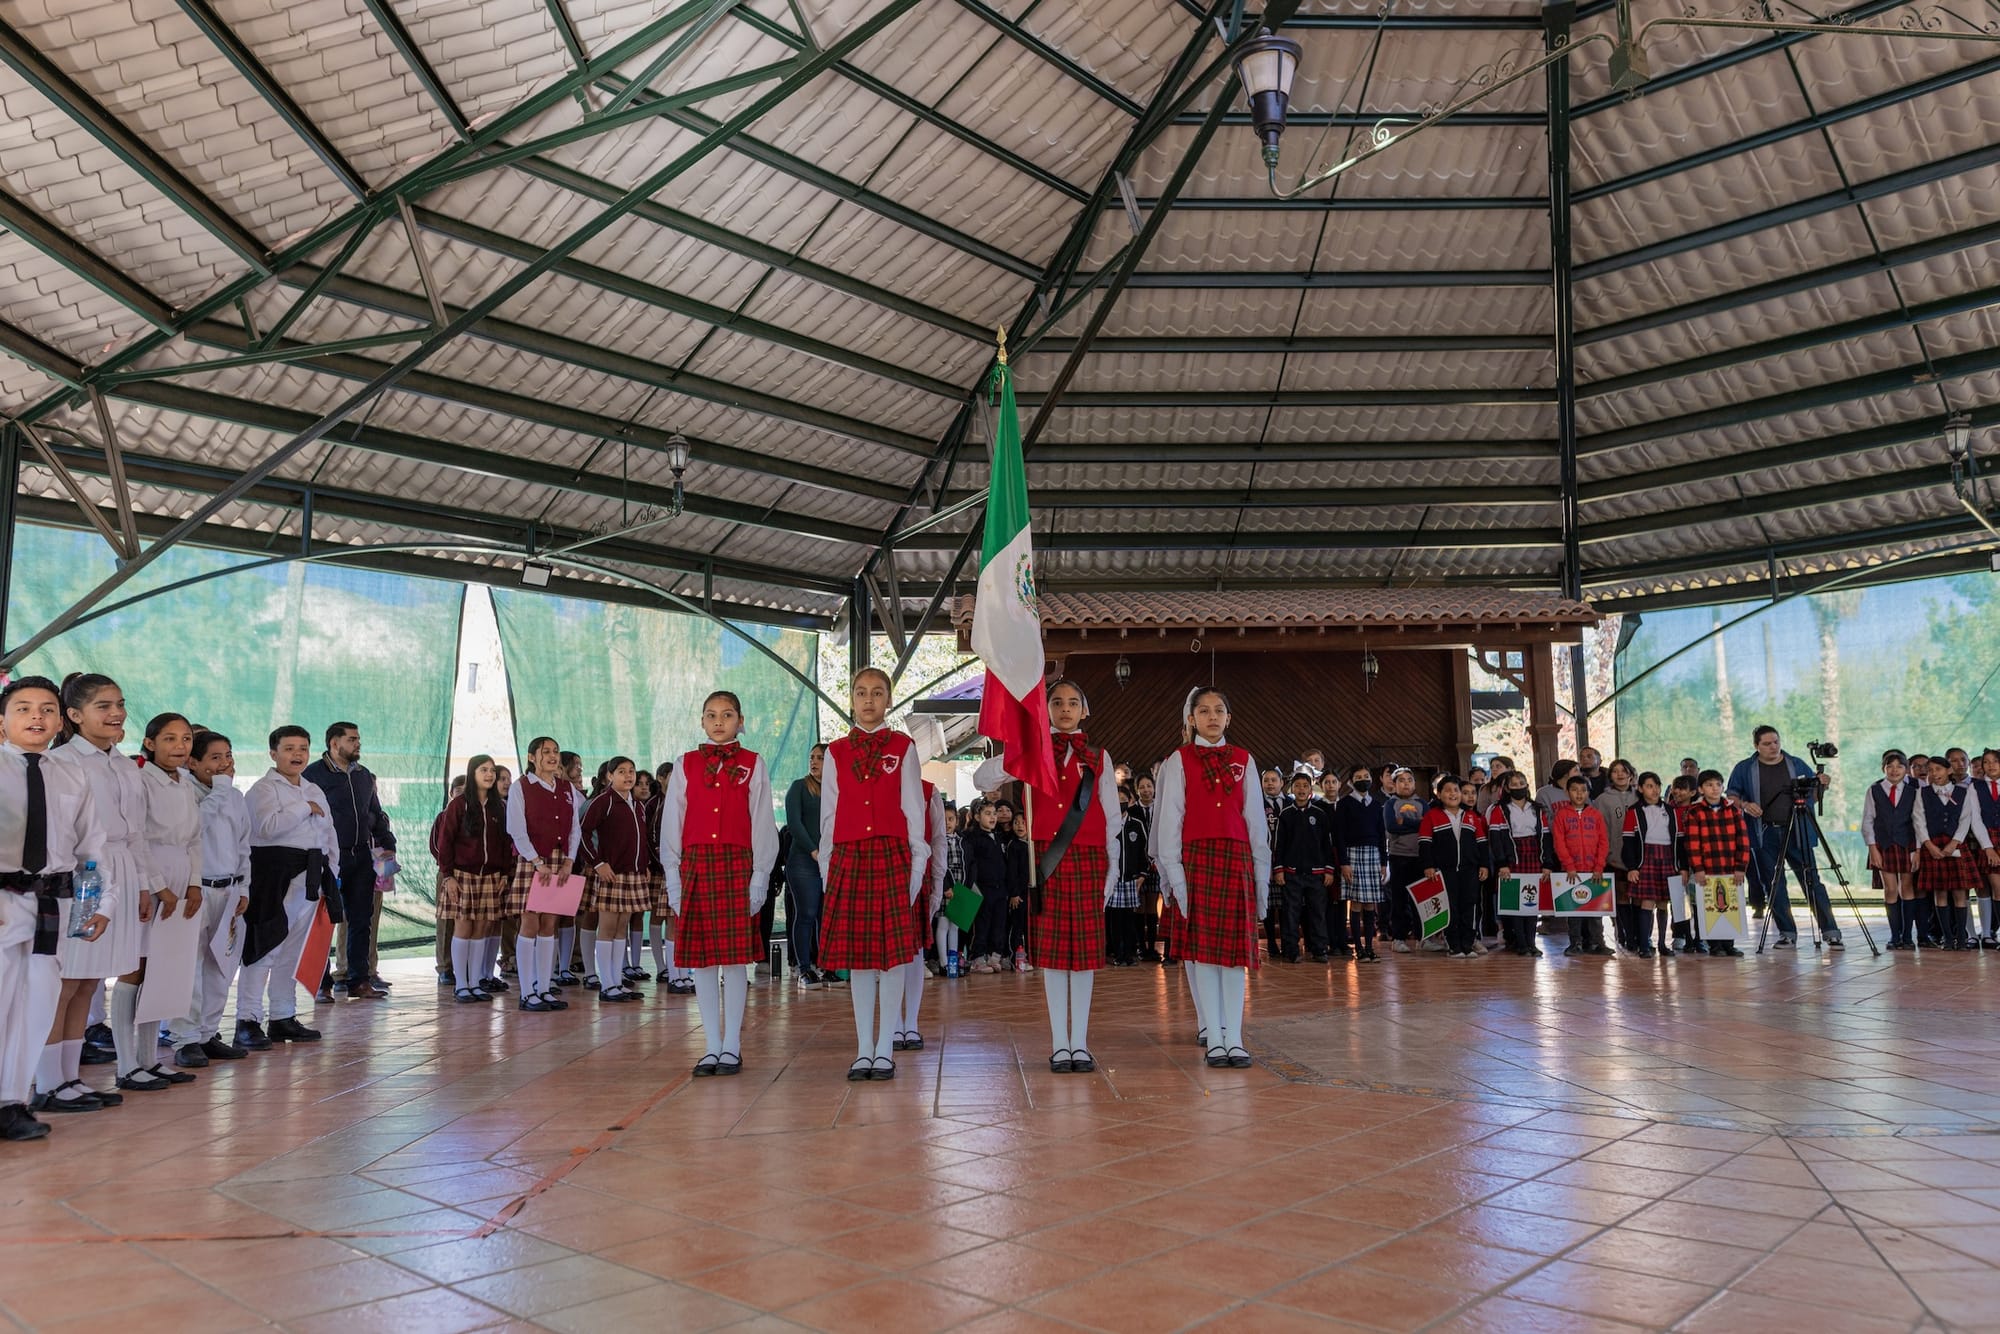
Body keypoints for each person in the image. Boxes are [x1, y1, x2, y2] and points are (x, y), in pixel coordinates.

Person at [972, 680, 1120, 1073]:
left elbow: (1111, 820)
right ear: (1046, 708)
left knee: (1084, 960)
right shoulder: (1031, 751)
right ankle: (1059, 1043)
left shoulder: (1099, 757)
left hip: (1089, 859)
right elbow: (981, 780)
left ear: (1084, 711)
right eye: (1057, 702)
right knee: (1054, 960)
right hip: (1046, 862)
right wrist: (1019, 748)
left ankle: (1081, 1044)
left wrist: (1112, 867)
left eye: (1074, 702)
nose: (1066, 709)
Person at [2, 677, 105, 1136]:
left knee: (37, 1001)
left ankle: (12, 1101)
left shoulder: (71, 775)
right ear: (2, 721)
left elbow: (90, 849)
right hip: (2, 898)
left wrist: (90, 911)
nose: (36, 717)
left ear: (60, 721)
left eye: (46, 709)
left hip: (49, 904)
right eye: (23, 709)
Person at [818, 668, 928, 1081]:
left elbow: (914, 812)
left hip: (890, 855)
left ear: (889, 699)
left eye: (877, 693)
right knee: (860, 961)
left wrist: (915, 870)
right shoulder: (836, 752)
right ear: (850, 700)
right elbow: (830, 814)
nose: (868, 700)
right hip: (848, 856)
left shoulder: (903, 747)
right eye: (861, 693)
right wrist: (828, 867)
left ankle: (886, 1047)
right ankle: (864, 1048)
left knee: (893, 959)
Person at [42, 675, 143, 1109]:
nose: (116, 713)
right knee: (64, 979)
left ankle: (70, 1076)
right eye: (103, 706)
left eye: (119, 704)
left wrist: (143, 883)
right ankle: (47, 1082)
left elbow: (134, 829)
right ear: (75, 715)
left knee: (88, 980)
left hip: (118, 867)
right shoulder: (63, 761)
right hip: (80, 871)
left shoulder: (122, 762)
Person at [1154, 686, 1268, 1070]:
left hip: (1236, 861)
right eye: (1204, 711)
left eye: (1220, 710)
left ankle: (1234, 1036)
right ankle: (1214, 1038)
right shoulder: (1178, 760)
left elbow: (1255, 823)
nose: (1212, 717)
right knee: (1203, 955)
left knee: (1235, 959)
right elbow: (1170, 820)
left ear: (1229, 718)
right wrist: (1176, 876)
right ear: (1192, 718)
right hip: (1197, 860)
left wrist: (1261, 877)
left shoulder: (1244, 759)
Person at [115, 714, 202, 1092]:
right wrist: (158, 886)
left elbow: (195, 839)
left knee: (161, 969)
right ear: (150, 743)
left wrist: (194, 884)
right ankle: (126, 1062)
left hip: (182, 875)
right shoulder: (139, 780)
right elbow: (138, 837)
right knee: (135, 966)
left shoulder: (184, 782)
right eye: (169, 739)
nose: (180, 747)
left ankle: (149, 1059)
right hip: (150, 876)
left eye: (185, 739)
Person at [238, 725, 339, 1046]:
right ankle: (247, 1019)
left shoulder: (313, 788)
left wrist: (330, 870)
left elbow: (328, 833)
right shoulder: (263, 789)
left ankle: (283, 1015)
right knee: (265, 947)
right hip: (273, 874)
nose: (297, 755)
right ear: (273, 753)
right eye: (289, 748)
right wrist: (302, 809)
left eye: (303, 749)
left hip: (311, 874)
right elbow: (267, 828)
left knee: (292, 951)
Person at [1726, 726, 1841, 949]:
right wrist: (1746, 805)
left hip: (1798, 830)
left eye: (1776, 742)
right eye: (1767, 744)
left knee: (1811, 880)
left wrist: (1823, 784)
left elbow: (1813, 795)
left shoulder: (1795, 763)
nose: (1773, 747)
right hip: (1764, 833)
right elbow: (1731, 795)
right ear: (1756, 746)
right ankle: (1787, 933)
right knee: (1774, 884)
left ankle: (1831, 931)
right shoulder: (1745, 768)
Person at [176, 731, 251, 1068]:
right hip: (195, 889)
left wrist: (244, 887)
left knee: (221, 966)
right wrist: (220, 790)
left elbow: (243, 845)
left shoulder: (234, 797)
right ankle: (186, 1038)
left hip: (229, 888)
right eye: (216, 758)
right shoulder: (185, 792)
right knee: (188, 967)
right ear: (193, 762)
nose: (225, 763)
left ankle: (208, 1033)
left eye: (229, 755)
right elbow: (195, 828)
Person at [305, 723, 394, 1002]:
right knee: (323, 920)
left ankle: (359, 980)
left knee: (360, 920)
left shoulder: (363, 775)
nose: (358, 744)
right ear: (334, 743)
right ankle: (322, 983)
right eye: (352, 739)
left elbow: (374, 812)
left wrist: (386, 841)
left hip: (361, 857)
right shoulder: (313, 776)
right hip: (328, 857)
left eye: (358, 739)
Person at [504, 736, 582, 1012]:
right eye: (545, 752)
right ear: (531, 757)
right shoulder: (521, 787)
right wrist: (537, 861)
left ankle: (544, 987)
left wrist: (569, 860)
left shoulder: (566, 788)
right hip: (533, 860)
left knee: (550, 923)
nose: (552, 756)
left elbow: (575, 827)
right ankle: (527, 992)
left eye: (555, 751)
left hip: (560, 861)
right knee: (530, 923)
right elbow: (516, 829)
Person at [433, 755, 513, 1004]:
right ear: (472, 773)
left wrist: (504, 873)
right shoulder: (459, 804)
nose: (489, 775)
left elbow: (504, 843)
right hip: (462, 876)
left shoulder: (498, 806)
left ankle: (476, 982)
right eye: (483, 770)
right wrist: (448, 876)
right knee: (464, 927)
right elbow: (445, 842)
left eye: (492, 770)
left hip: (491, 876)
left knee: (482, 928)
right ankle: (462, 984)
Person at [891, 779, 948, 1046]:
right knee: (889, 953)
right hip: (884, 874)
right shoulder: (878, 784)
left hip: (918, 877)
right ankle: (893, 1025)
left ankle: (911, 1023)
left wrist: (937, 883)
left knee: (915, 953)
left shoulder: (928, 790)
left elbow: (937, 839)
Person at [1678, 769, 1748, 958]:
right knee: (1709, 906)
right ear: (1700, 789)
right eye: (1709, 785)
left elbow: (1743, 840)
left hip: (1730, 868)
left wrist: (1740, 867)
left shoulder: (1733, 810)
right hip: (1707, 870)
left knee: (1731, 904)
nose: (1715, 788)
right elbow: (1692, 844)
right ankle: (1714, 944)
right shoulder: (1695, 812)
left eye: (1718, 784)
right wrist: (1698, 869)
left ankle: (1729, 944)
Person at [1913, 761, 1983, 950]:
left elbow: (1966, 819)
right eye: (1931, 770)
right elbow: (1919, 821)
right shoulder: (1923, 793)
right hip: (1933, 846)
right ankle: (1948, 937)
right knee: (1940, 892)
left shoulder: (1963, 792)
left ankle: (1961, 936)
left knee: (1960, 892)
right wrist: (1929, 845)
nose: (1935, 773)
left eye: (1939, 769)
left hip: (1956, 845)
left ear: (1948, 770)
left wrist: (1954, 843)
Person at [1420, 775, 1487, 959]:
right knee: (1450, 907)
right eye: (1447, 790)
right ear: (1439, 794)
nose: (1453, 793)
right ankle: (1454, 945)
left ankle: (1468, 944)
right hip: (1444, 871)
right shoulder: (1431, 816)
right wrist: (1429, 866)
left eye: (1456, 790)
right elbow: (1424, 844)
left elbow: (1481, 844)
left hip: (1470, 870)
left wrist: (1483, 865)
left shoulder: (1472, 817)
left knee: (1470, 905)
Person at [1487, 771, 1549, 958]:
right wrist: (1502, 864)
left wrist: (1547, 862)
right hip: (1512, 857)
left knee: (1531, 902)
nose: (1519, 786)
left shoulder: (1537, 808)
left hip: (1533, 856)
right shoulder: (1499, 809)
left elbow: (1546, 836)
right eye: (1514, 784)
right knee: (1515, 903)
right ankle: (1520, 943)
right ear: (1507, 788)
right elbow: (1496, 839)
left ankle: (1532, 943)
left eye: (1522, 782)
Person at [1274, 772, 1334, 963]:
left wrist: (1329, 869)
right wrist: (1279, 869)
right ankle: (1291, 950)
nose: (1301, 789)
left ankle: (1319, 949)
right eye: (1297, 786)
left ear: (1311, 789)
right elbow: (1279, 845)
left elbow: (1327, 845)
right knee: (1291, 913)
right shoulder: (1286, 814)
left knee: (1317, 913)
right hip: (1291, 873)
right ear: (1291, 789)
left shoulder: (1320, 814)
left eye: (1305, 786)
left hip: (1316, 874)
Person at [1551, 773, 1613, 957]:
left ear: (1588, 793)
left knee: (1595, 911)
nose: (1579, 794)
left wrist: (1599, 867)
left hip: (1594, 871)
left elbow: (1603, 842)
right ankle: (1575, 943)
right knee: (1574, 910)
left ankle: (1597, 943)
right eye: (1575, 790)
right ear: (1567, 792)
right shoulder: (1561, 815)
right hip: (1572, 872)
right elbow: (1559, 843)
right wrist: (1569, 865)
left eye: (1583, 790)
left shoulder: (1595, 815)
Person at [1863, 750, 1919, 950]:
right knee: (1890, 889)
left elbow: (1919, 821)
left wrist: (1918, 849)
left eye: (1899, 766)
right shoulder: (1875, 789)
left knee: (1907, 888)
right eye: (1890, 766)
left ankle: (1907, 936)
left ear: (1906, 769)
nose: (1894, 770)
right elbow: (1868, 820)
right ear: (1883, 768)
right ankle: (1894, 935)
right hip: (1883, 845)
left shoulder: (1914, 790)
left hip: (1908, 844)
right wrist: (1873, 848)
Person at [783, 744, 828, 986]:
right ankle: (803, 967)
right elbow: (794, 823)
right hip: (803, 860)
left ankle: (826, 965)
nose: (814, 761)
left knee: (826, 915)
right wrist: (813, 850)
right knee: (807, 914)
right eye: (812, 757)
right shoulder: (799, 787)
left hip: (829, 860)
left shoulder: (835, 790)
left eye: (820, 757)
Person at [1621, 772, 1675, 960]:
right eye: (1650, 786)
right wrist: (1632, 867)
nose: (1654, 790)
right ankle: (1644, 944)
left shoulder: (1670, 810)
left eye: (1657, 786)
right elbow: (1627, 842)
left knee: (1663, 902)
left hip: (1667, 857)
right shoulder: (1634, 811)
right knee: (1647, 901)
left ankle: (1662, 944)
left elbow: (1679, 839)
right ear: (1641, 788)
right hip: (1646, 859)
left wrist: (1681, 867)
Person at [1336, 764, 1386, 963]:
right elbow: (1339, 835)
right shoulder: (1345, 803)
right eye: (1358, 776)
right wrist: (1344, 862)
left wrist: (1384, 861)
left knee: (1370, 904)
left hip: (1373, 854)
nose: (1363, 779)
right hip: (1353, 854)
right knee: (1356, 903)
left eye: (1366, 776)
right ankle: (1358, 948)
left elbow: (1382, 835)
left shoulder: (1375, 804)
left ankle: (1369, 947)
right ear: (1351, 781)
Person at [1593, 760, 1639, 952]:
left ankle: (1640, 936)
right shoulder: (1602, 800)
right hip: (1614, 858)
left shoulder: (1640, 796)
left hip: (1639, 859)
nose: (1620, 775)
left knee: (1638, 899)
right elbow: (1599, 832)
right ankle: (1624, 935)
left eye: (1624, 771)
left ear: (1631, 774)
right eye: (1616, 771)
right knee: (1620, 899)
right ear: (1610, 775)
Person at [962, 800, 1009, 973]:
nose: (992, 817)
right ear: (976, 816)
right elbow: (970, 863)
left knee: (999, 922)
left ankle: (994, 955)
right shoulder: (972, 837)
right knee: (981, 923)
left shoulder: (998, 836)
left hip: (999, 887)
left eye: (994, 814)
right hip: (982, 887)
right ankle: (977, 957)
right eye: (987, 814)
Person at [1383, 769, 1427, 953]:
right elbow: (1392, 826)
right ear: (1394, 784)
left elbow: (1427, 825)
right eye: (1401, 780)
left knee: (1421, 900)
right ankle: (1399, 938)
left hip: (1420, 857)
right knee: (1399, 900)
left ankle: (1423, 938)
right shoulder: (1390, 804)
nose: (1406, 783)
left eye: (1410, 780)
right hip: (1398, 856)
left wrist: (1404, 822)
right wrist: (1416, 823)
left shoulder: (1422, 803)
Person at [1107, 785, 1145, 966]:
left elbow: (1144, 852)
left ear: (1130, 801)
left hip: (1131, 880)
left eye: (1123, 800)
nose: (1120, 804)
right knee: (1115, 919)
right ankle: (1117, 953)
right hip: (1114, 880)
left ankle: (1130, 953)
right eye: (1116, 800)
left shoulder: (1136, 825)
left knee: (1130, 918)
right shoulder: (1107, 825)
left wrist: (1142, 875)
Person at [1971, 750, 2000, 948]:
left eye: (1995, 761)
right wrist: (1988, 847)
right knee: (1997, 889)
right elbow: (1975, 819)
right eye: (1986, 762)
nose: (1991, 766)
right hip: (1989, 841)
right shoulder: (1975, 787)